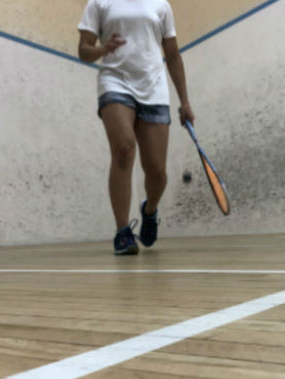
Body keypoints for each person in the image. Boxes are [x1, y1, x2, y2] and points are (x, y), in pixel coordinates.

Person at [78, 0, 195, 255]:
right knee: (123, 149)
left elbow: (172, 54)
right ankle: (122, 232)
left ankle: (150, 210)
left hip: (154, 89)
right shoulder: (99, 3)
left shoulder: (161, 5)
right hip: (114, 82)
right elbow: (84, 50)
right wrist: (102, 50)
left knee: (156, 171)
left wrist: (185, 101)